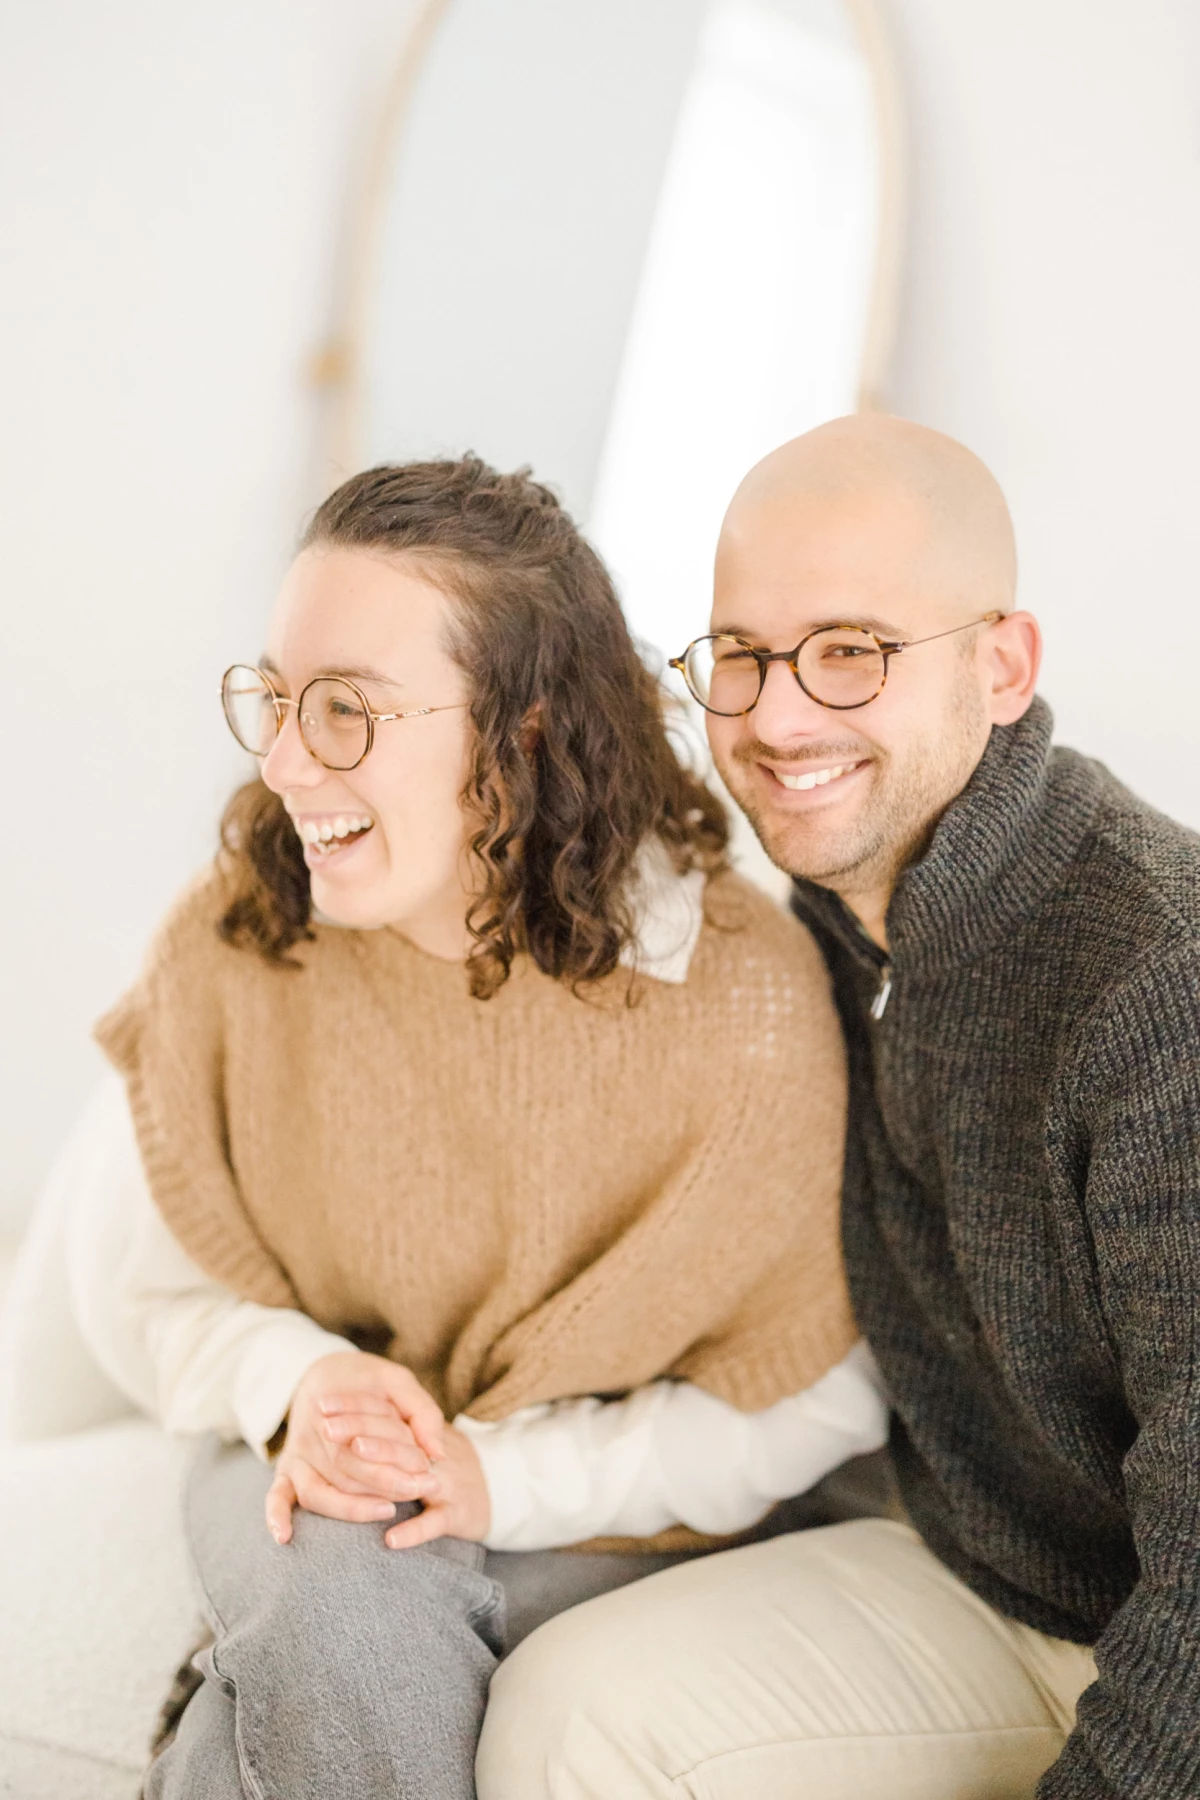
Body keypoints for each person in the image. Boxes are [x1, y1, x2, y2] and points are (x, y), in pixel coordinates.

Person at [87, 456, 888, 1799]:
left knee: (332, 1625)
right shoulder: (237, 939)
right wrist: (300, 1384)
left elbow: (808, 1397)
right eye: (278, 701)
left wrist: (494, 1479)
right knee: (345, 1574)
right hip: (310, 1459)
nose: (285, 761)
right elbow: (167, 1303)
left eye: (348, 710)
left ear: (520, 730)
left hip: (591, 1496)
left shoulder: (735, 1003)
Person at [475, 416, 1200, 1800]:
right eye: (740, 655)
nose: (778, 717)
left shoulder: (1157, 988)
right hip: (982, 1563)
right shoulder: (809, 934)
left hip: (1151, 1627)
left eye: (852, 651)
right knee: (570, 1716)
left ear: (1002, 666)